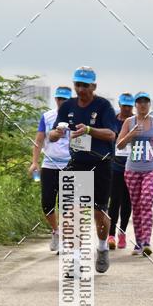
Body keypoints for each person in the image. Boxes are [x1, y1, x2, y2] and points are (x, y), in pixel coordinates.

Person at [49, 67, 117, 273]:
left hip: (100, 163)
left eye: (85, 85)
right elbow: (53, 133)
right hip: (77, 162)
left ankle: (103, 247)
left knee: (98, 213)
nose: (81, 89)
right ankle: (76, 260)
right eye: (77, 85)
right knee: (71, 213)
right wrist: (56, 133)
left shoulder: (103, 106)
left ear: (94, 86)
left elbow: (111, 134)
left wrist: (88, 129)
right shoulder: (67, 106)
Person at [116, 93, 153, 256]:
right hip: (132, 169)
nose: (143, 105)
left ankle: (146, 242)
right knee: (136, 207)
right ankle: (138, 243)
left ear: (150, 104)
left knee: (146, 201)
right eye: (139, 102)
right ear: (135, 105)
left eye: (146, 102)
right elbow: (120, 145)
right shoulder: (129, 122)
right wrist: (131, 135)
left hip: (152, 168)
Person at [29, 86, 72, 252]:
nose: (62, 102)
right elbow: (39, 140)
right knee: (47, 203)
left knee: (67, 204)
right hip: (49, 165)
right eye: (59, 99)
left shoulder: (77, 117)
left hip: (70, 165)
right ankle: (56, 230)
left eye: (65, 99)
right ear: (55, 99)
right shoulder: (47, 117)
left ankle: (67, 240)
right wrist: (34, 162)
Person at [108, 93, 135, 250]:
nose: (126, 108)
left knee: (127, 202)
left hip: (132, 166)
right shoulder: (112, 121)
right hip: (115, 166)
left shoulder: (136, 122)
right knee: (114, 201)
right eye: (124, 105)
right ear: (119, 104)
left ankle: (122, 233)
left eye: (129, 106)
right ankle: (111, 235)